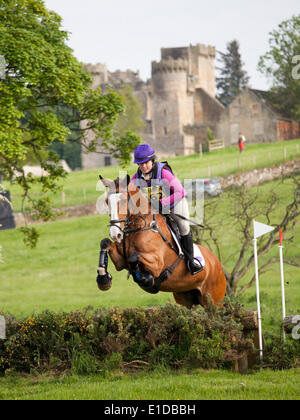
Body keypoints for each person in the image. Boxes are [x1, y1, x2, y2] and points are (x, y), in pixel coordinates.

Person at [131, 144, 203, 275]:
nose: (143, 166)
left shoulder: (163, 172)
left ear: (152, 160)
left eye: (146, 163)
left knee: (184, 227)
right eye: (140, 164)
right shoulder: (135, 179)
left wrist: (161, 203)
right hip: (154, 210)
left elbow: (180, 192)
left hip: (174, 203)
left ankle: (191, 261)